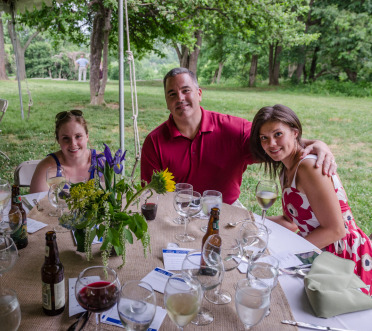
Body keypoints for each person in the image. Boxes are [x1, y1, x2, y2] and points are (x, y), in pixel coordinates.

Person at [140, 68, 336, 205]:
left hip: (226, 210)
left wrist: (316, 143)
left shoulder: (233, 129)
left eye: (186, 90)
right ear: (166, 101)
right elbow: (150, 195)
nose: (180, 98)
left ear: (199, 94)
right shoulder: (154, 141)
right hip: (178, 212)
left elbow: (275, 142)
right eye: (172, 94)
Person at [250, 104, 372, 293]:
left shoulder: (307, 168)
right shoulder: (287, 168)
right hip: (317, 248)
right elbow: (290, 222)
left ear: (295, 132)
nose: (271, 144)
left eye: (278, 134)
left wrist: (285, 257)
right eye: (264, 138)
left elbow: (336, 230)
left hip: (341, 255)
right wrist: (251, 220)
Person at [30, 110, 96, 193]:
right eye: (66, 138)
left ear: (87, 136)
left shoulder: (101, 161)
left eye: (78, 136)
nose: (73, 143)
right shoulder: (47, 167)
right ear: (58, 140)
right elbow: (37, 203)